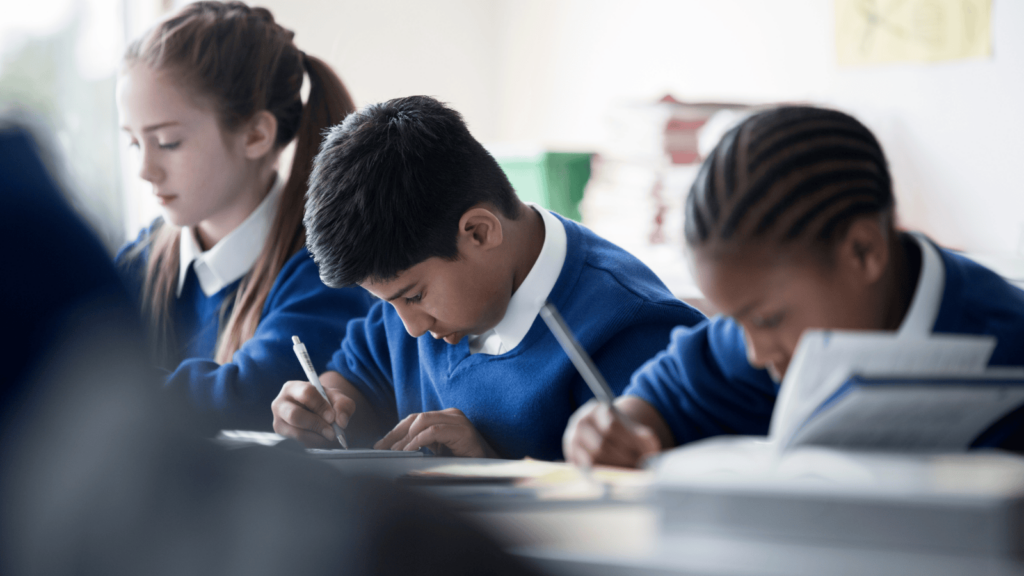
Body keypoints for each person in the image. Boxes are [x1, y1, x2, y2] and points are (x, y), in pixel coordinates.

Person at [563, 106, 1024, 467]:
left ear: (863, 253)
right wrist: (608, 430)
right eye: (735, 322)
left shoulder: (1008, 338)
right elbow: (654, 403)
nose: (755, 352)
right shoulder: (757, 344)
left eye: (765, 319)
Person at [271, 96, 706, 460]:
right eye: (389, 304)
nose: (412, 326)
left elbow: (639, 515)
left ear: (480, 232)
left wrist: (493, 469)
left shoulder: (634, 332)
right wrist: (320, 409)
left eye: (415, 297)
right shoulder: (413, 282)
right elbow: (357, 376)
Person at [115, 2, 372, 430]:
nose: (145, 169)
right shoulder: (141, 259)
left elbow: (248, 396)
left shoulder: (321, 273)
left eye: (168, 142)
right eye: (134, 143)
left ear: (256, 134)